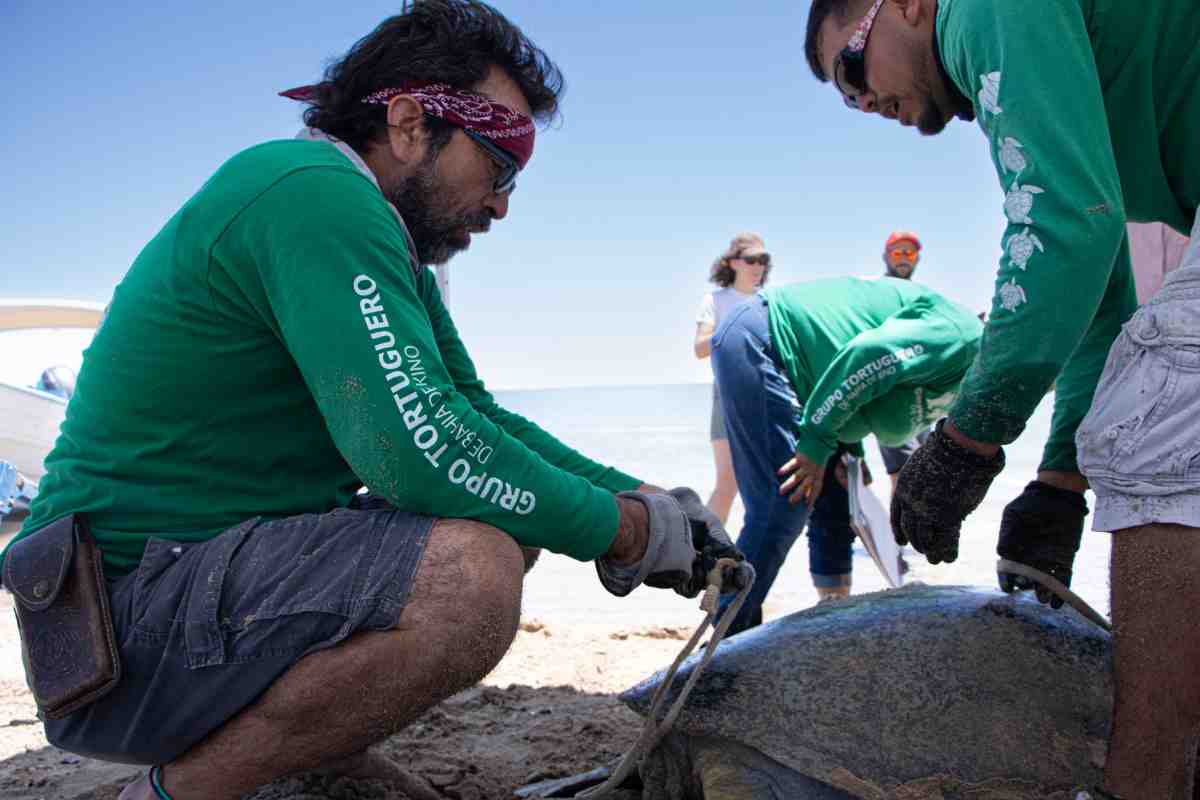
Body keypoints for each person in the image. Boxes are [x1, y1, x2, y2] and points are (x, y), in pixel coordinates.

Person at [0, 4, 742, 799]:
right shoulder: (312, 195)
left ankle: (310, 757)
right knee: (471, 572)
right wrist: (623, 531)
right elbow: (416, 452)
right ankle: (181, 792)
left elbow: (473, 416)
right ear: (410, 123)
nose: (501, 205)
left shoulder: (375, 238)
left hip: (165, 596)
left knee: (503, 520)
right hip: (119, 630)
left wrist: (640, 497)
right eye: (500, 167)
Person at [804, 1, 1199, 795]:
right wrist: (1058, 484)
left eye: (851, 70)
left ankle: (1144, 782)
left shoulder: (977, 9)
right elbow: (1103, 300)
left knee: (1152, 432)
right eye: (845, 100)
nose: (863, 104)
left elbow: (1063, 229)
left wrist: (968, 441)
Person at [712, 276, 982, 633]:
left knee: (838, 497)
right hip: (766, 341)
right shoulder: (961, 339)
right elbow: (867, 357)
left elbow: (882, 391)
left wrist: (850, 450)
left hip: (813, 379)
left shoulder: (979, 390)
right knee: (784, 501)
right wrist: (818, 440)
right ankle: (724, 637)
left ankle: (832, 622)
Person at [693, 233, 771, 524]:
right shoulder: (715, 300)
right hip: (728, 396)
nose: (758, 266)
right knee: (728, 485)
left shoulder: (769, 301)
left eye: (764, 260)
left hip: (769, 396)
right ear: (732, 262)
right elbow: (700, 348)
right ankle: (703, 554)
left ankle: (749, 556)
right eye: (751, 259)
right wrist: (735, 325)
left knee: (768, 484)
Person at [875, 230, 929, 490]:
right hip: (889, 394)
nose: (904, 258)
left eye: (910, 252)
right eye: (898, 252)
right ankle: (901, 532)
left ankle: (913, 531)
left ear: (917, 258)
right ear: (886, 256)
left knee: (925, 470)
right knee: (904, 473)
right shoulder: (877, 291)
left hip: (921, 396)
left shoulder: (921, 296)